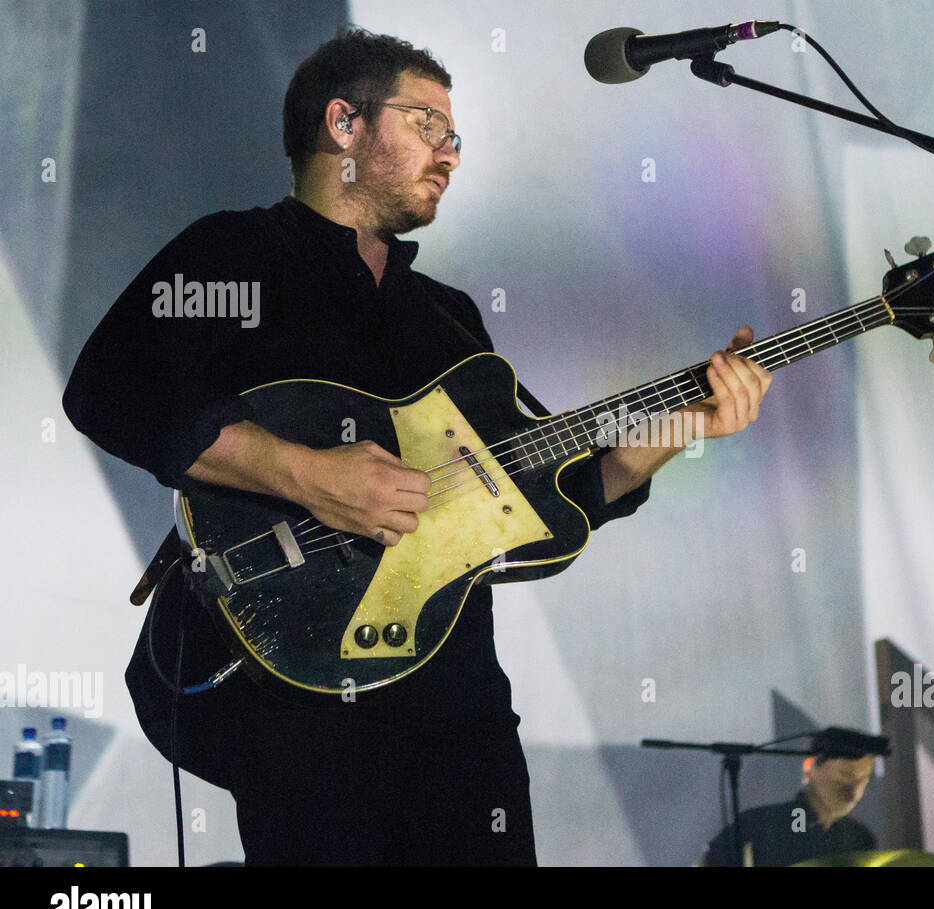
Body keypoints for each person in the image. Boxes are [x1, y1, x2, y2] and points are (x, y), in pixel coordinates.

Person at [62, 28, 772, 866]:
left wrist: (684, 425)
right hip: (300, 703)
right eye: (427, 124)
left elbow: (548, 502)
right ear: (344, 124)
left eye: (455, 135)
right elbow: (111, 389)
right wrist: (311, 476)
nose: (451, 153)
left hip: (458, 717)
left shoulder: (448, 318)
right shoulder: (236, 255)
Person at [700, 751, 878, 866]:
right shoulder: (758, 824)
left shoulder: (861, 838)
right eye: (845, 775)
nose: (854, 790)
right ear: (811, 767)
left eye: (863, 779)